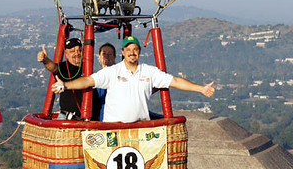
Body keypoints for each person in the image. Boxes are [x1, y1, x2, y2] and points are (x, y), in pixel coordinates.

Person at [52, 36, 215, 123]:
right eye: (128, 49)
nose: (132, 52)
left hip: (138, 129)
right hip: (113, 131)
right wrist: (65, 85)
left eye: (135, 49)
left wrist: (201, 89)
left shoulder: (149, 72)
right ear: (123, 52)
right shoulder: (111, 72)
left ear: (139, 52)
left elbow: (176, 81)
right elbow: (87, 81)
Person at [38, 37, 84, 119]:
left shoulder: (88, 67)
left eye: (79, 50)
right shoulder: (63, 67)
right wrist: (45, 60)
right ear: (66, 54)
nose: (77, 53)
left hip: (87, 117)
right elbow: (54, 68)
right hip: (68, 117)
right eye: (72, 51)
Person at [93, 42, 117, 120]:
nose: (106, 56)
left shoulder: (119, 77)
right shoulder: (95, 78)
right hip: (100, 119)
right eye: (104, 53)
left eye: (110, 54)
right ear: (99, 56)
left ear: (114, 57)